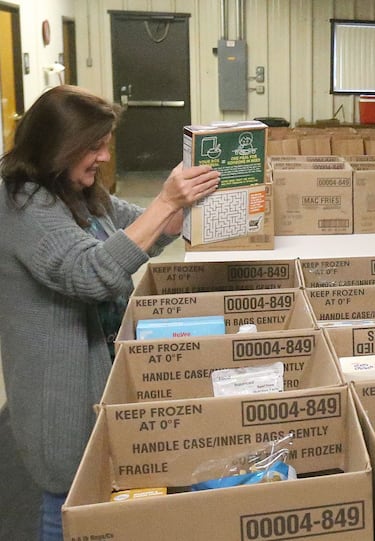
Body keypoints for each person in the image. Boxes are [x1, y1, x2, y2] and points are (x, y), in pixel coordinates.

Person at [0, 85, 220, 540]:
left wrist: (180, 210)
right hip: (58, 396)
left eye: (107, 145)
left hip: (99, 377)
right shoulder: (21, 203)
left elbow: (136, 227)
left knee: (102, 502)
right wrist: (166, 204)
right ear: (59, 145)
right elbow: (90, 273)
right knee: (67, 505)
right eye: (94, 146)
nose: (103, 157)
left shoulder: (75, 189)